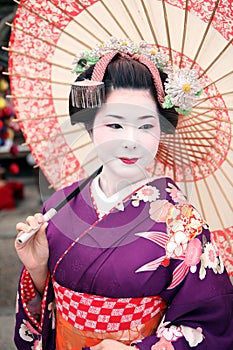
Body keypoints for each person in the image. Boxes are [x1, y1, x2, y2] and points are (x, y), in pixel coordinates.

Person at [14, 39, 233, 350]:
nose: (131, 141)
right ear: (90, 127)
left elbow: (212, 323)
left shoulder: (183, 224)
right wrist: (37, 271)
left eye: (146, 126)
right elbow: (45, 308)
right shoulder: (58, 206)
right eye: (115, 124)